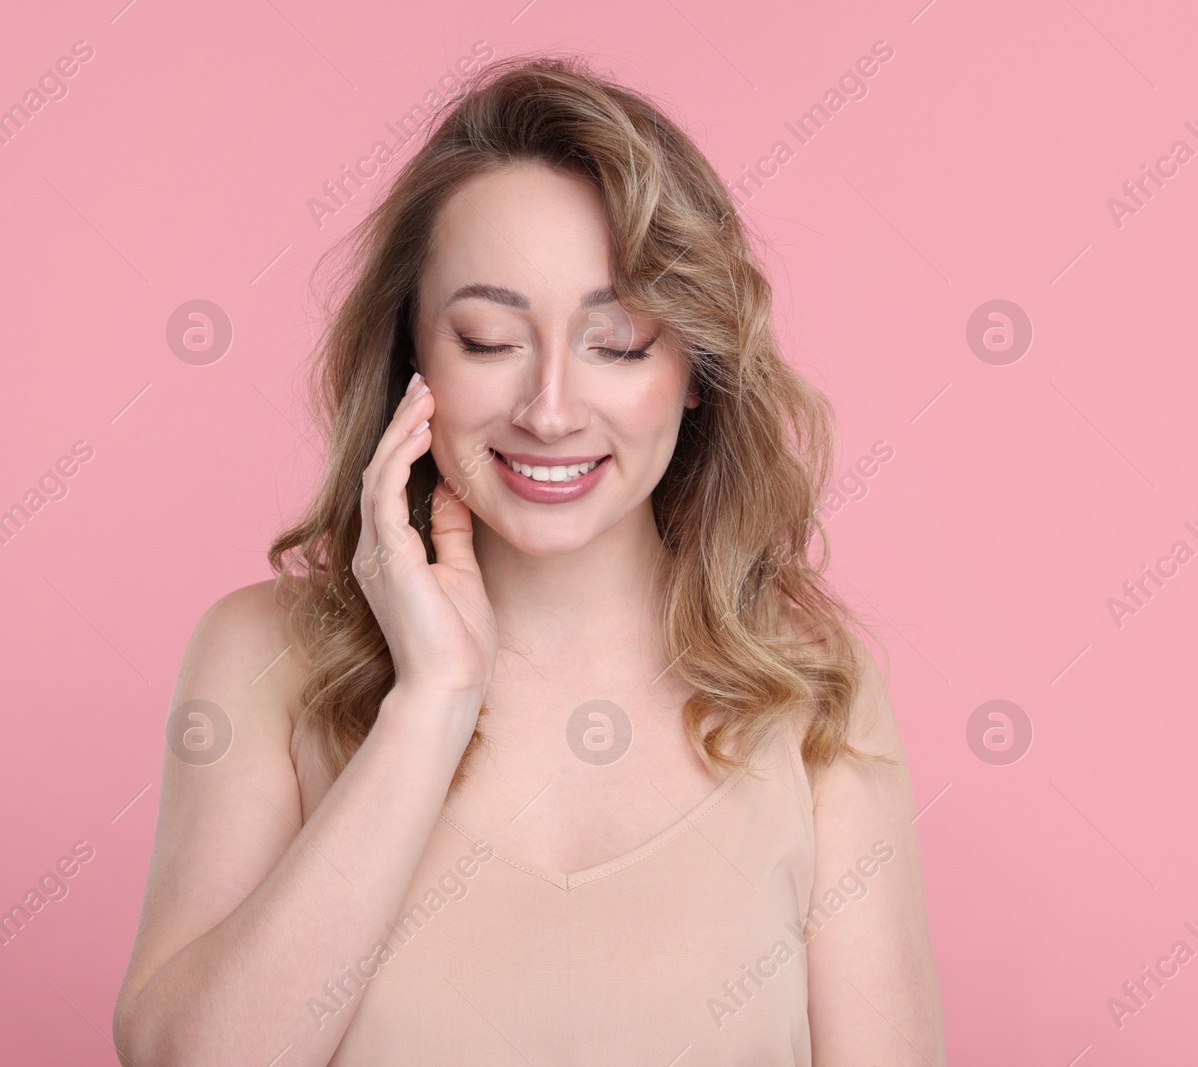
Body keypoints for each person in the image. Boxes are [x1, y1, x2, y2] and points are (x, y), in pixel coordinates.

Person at [111, 53, 944, 1066]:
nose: (550, 410)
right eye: (488, 336)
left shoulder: (811, 685)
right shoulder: (261, 656)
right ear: (412, 355)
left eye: (620, 341)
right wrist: (432, 699)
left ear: (694, 371)